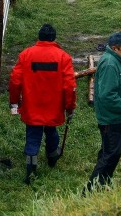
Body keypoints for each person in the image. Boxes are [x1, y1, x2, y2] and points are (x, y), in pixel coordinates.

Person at [9, 23, 77, 184]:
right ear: (54, 38)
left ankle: (31, 167)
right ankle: (52, 153)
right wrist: (70, 107)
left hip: (32, 104)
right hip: (53, 105)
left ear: (38, 37)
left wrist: (14, 102)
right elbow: (70, 86)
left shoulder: (26, 55)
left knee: (33, 135)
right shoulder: (63, 57)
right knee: (51, 129)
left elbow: (14, 81)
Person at [86, 31, 121, 192]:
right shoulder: (110, 64)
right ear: (115, 48)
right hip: (113, 119)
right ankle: (89, 193)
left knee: (108, 154)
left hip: (118, 118)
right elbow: (108, 95)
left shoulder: (118, 60)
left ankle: (102, 186)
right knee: (110, 156)